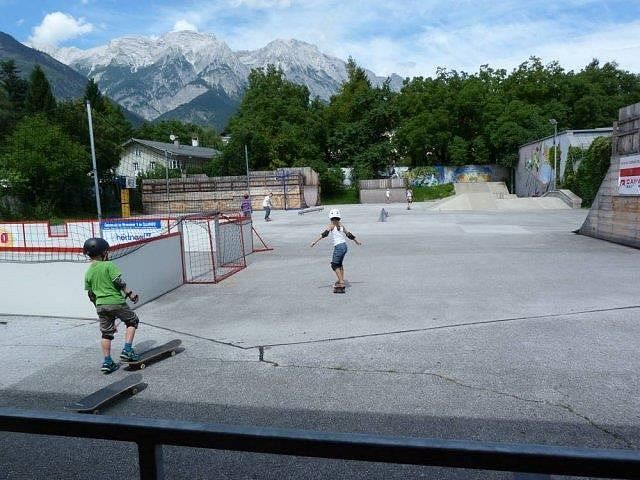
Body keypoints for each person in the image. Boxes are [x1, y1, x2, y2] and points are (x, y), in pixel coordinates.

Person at [83, 237, 140, 374]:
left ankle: (107, 362)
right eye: (106, 251)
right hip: (116, 302)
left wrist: (99, 308)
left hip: (100, 305)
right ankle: (127, 350)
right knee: (132, 320)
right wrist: (130, 294)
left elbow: (91, 294)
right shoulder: (108, 265)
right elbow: (118, 281)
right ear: (103, 252)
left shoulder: (88, 271)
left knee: (106, 334)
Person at [310, 209, 362, 289]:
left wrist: (314, 242)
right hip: (344, 246)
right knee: (339, 264)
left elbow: (324, 234)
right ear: (339, 218)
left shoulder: (331, 225)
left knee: (334, 265)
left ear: (331, 218)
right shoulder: (341, 225)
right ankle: (341, 279)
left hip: (338, 247)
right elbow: (349, 235)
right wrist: (357, 241)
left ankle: (341, 282)